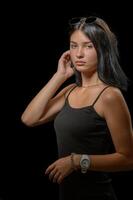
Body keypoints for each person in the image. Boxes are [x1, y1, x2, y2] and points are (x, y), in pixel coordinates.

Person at [21, 16, 133, 200]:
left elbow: (128, 159)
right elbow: (29, 119)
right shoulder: (69, 91)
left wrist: (77, 161)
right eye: (74, 46)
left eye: (88, 46)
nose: (79, 54)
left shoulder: (109, 95)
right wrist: (60, 76)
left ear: (102, 50)